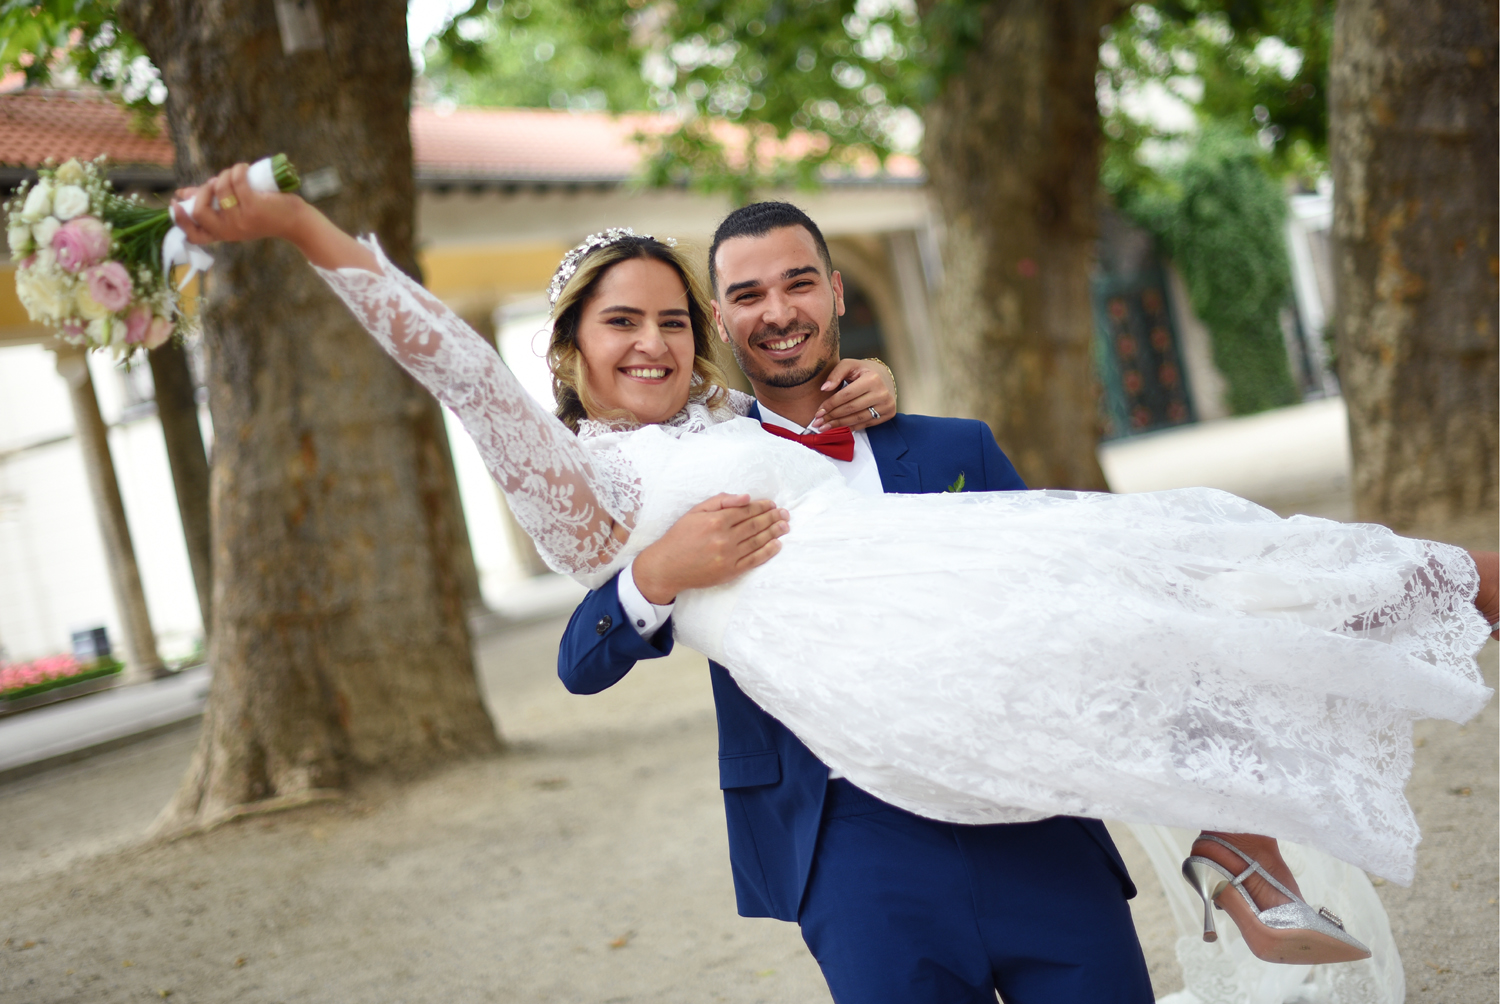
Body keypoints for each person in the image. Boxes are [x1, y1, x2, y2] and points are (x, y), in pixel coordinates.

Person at [174, 165, 1496, 1004]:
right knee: (1135, 613)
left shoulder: (738, 418)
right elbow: (458, 370)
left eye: (672, 319)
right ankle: (1245, 842)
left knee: (1188, 579)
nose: (653, 340)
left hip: (947, 594)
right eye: (620, 322)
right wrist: (297, 225)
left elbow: (809, 406)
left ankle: (1279, 807)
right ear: (568, 353)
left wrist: (873, 395)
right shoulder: (571, 479)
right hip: (861, 707)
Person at [555, 201, 1153, 1002]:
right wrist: (656, 573)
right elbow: (580, 662)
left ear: (837, 292)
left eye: (799, 284)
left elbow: (1074, 613)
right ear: (721, 325)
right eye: (747, 296)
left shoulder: (958, 448)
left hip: (1031, 817)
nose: (778, 313)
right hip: (852, 846)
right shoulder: (687, 477)